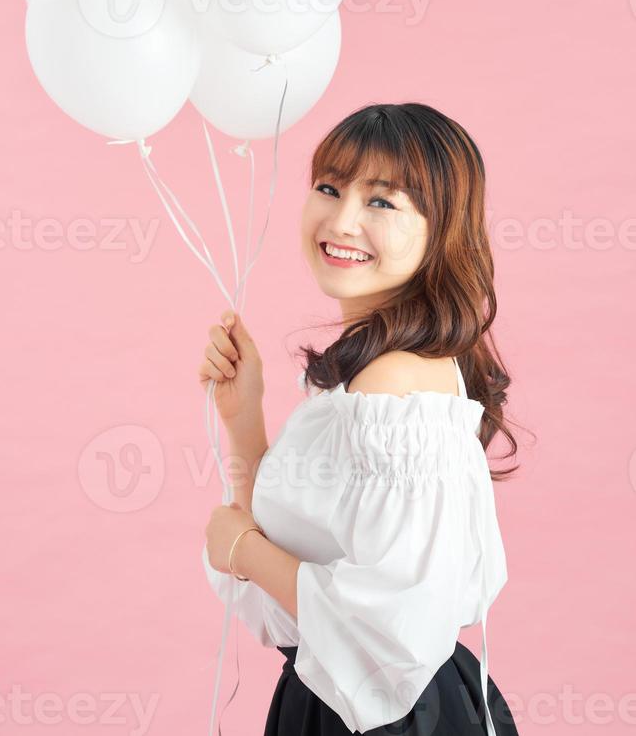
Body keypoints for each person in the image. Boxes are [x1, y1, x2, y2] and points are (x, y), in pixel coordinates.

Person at [199, 103, 524, 734]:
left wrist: (241, 550)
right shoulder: (377, 370)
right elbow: (314, 558)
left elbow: (389, 624)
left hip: (384, 715)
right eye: (328, 187)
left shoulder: (395, 382)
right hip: (349, 696)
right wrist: (244, 420)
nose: (342, 220)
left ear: (442, 230)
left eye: (383, 201)